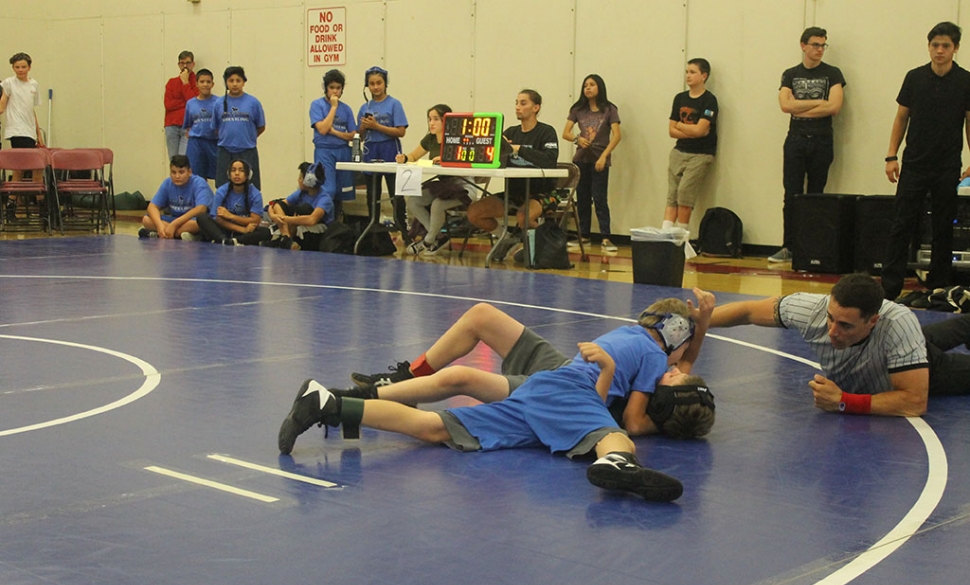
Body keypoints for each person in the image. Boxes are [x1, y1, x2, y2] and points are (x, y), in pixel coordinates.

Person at [277, 297, 717, 503]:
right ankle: (617, 462)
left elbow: (682, 355)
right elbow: (634, 421)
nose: (681, 368)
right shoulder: (650, 356)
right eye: (680, 364)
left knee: (436, 428)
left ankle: (329, 403)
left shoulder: (644, 342)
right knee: (615, 436)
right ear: (674, 344)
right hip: (570, 388)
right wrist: (646, 415)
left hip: (550, 392)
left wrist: (704, 318)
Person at [348, 288, 714, 437]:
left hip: (563, 389)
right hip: (562, 367)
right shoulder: (659, 358)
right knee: (480, 316)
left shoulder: (654, 360)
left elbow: (636, 420)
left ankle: (371, 398)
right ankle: (406, 378)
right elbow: (683, 364)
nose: (678, 369)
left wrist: (701, 326)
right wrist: (704, 323)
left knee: (462, 377)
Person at [710, 272, 970, 417]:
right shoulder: (811, 310)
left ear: (873, 322)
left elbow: (914, 402)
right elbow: (746, 311)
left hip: (927, 365)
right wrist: (694, 323)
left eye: (846, 326)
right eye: (831, 319)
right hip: (900, 344)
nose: (832, 332)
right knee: (960, 326)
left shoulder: (898, 326)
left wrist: (845, 401)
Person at [882, 21, 970, 303]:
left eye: (945, 46)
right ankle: (889, 288)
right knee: (901, 225)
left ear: (955, 48)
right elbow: (901, 118)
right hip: (914, 164)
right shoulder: (914, 77)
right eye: (935, 45)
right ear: (929, 47)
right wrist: (891, 155)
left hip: (947, 166)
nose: (940, 51)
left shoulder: (965, 81)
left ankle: (939, 287)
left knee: (943, 227)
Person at [772, 27, 846, 264]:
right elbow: (784, 106)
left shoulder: (833, 73)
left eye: (823, 45)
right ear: (803, 45)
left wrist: (800, 104)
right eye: (815, 45)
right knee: (791, 194)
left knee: (816, 195)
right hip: (795, 140)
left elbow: (833, 107)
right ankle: (789, 246)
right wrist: (818, 102)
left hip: (822, 140)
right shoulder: (791, 74)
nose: (820, 50)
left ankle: (812, 246)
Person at [468, 90, 560, 261]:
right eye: (516, 103)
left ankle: (540, 244)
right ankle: (508, 237)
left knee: (523, 217)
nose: (518, 107)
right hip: (514, 194)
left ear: (536, 107)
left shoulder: (547, 132)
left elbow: (549, 160)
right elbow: (492, 160)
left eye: (523, 103)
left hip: (542, 194)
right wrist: (498, 149)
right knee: (474, 212)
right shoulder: (510, 133)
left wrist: (519, 149)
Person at [396, 103, 471, 256]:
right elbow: (413, 156)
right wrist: (404, 158)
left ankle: (428, 241)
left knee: (438, 204)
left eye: (436, 119)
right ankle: (440, 237)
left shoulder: (458, 138)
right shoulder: (430, 138)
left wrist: (446, 158)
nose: (431, 123)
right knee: (413, 201)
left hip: (463, 187)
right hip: (443, 187)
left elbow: (465, 160)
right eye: (429, 119)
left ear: (447, 121)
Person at [562, 74, 622, 252]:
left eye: (592, 85)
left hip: (599, 160)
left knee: (600, 198)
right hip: (582, 159)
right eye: (585, 85)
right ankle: (585, 236)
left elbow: (617, 135)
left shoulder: (609, 109)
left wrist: (604, 156)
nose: (588, 88)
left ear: (600, 87)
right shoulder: (578, 109)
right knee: (582, 198)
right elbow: (566, 132)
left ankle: (605, 237)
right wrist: (577, 139)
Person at [663, 59, 718, 231]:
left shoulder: (709, 100)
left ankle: (681, 235)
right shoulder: (680, 98)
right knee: (672, 194)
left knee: (685, 192)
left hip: (701, 154)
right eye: (687, 72)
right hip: (679, 151)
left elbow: (700, 131)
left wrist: (680, 125)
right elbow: (671, 131)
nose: (688, 75)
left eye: (693, 72)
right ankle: (665, 234)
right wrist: (685, 128)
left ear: (704, 76)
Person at [357, 66, 408, 236]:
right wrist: (363, 128)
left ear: (385, 84)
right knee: (372, 194)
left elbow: (401, 131)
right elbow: (360, 136)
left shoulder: (394, 104)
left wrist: (377, 126)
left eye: (379, 83)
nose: (375, 87)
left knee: (395, 193)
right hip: (371, 150)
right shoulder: (365, 107)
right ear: (367, 86)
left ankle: (403, 229)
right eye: (371, 84)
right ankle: (373, 231)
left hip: (390, 149)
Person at [0, 52, 45, 217]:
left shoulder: (34, 85)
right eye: (17, 67)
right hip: (16, 131)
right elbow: (2, 104)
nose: (20, 70)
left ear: (29, 67)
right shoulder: (9, 83)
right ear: (13, 68)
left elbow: (30, 110)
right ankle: (38, 205)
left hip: (29, 131)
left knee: (27, 169)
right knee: (29, 167)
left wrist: (38, 133)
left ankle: (14, 203)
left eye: (23, 67)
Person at [310, 69, 357, 216]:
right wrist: (334, 107)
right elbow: (323, 129)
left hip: (343, 150)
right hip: (325, 151)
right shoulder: (317, 105)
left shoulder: (347, 109)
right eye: (332, 88)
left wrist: (336, 133)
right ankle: (326, 222)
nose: (335, 91)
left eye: (338, 88)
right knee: (328, 189)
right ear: (326, 88)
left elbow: (353, 135)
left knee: (342, 191)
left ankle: (338, 222)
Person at [213, 66, 266, 190]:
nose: (235, 84)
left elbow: (261, 127)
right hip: (225, 151)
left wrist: (247, 138)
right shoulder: (219, 103)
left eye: (238, 80)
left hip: (247, 150)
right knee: (223, 187)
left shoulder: (253, 103)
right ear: (226, 83)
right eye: (231, 81)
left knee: (251, 186)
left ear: (244, 81)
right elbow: (216, 128)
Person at [138, 154, 213, 240]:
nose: (177, 176)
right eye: (173, 172)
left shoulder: (199, 183)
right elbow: (152, 207)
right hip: (174, 219)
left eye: (181, 172)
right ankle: (176, 234)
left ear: (189, 172)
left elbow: (201, 209)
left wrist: (174, 225)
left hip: (190, 220)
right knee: (146, 220)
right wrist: (159, 226)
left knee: (198, 223)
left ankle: (168, 233)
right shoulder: (167, 183)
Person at [263, 162, 334, 251]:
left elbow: (312, 220)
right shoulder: (302, 192)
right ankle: (287, 238)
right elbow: (278, 204)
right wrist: (273, 216)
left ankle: (284, 240)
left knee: (303, 210)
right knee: (282, 207)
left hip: (319, 229)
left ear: (308, 181)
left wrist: (285, 219)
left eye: (300, 178)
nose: (298, 180)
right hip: (300, 224)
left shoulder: (324, 199)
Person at [196, 158, 263, 245]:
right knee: (202, 218)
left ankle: (234, 240)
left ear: (247, 175)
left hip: (246, 229)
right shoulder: (221, 191)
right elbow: (217, 218)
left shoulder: (255, 194)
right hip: (226, 228)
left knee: (265, 232)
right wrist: (242, 230)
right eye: (233, 170)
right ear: (229, 174)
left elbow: (255, 220)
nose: (237, 173)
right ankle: (224, 240)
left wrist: (231, 216)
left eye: (241, 170)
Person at [181, 68, 218, 182]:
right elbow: (188, 124)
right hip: (196, 144)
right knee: (196, 179)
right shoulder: (191, 103)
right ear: (196, 84)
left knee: (221, 176)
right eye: (202, 82)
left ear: (213, 84)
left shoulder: (219, 102)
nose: (205, 85)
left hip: (214, 143)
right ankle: (200, 200)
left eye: (208, 82)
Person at [163, 50, 198, 160]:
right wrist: (184, 102)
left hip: (188, 126)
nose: (185, 66)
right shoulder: (171, 82)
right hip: (171, 126)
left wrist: (185, 83)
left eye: (187, 63)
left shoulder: (198, 82)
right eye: (182, 63)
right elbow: (168, 104)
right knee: (173, 161)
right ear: (178, 65)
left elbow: (194, 104)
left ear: (193, 64)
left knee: (184, 161)